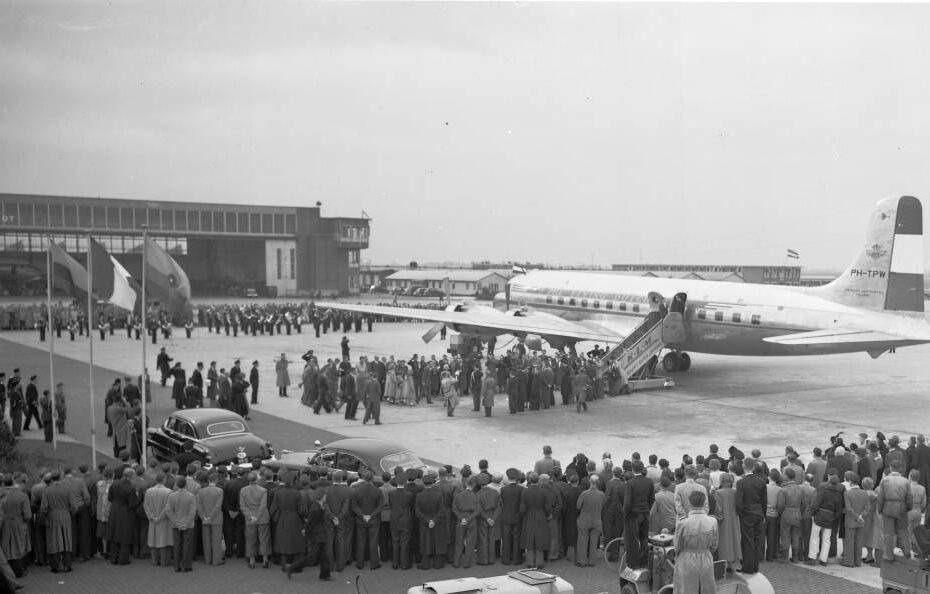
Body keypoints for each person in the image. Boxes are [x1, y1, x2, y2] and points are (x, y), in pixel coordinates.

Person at [673, 490, 718, 594]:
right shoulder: (712, 521)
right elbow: (714, 545)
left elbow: (677, 546)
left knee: (686, 590)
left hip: (687, 560)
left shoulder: (683, 522)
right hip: (706, 558)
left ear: (689, 503)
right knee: (706, 590)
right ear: (704, 503)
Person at [876, 460, 913, 562]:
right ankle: (906, 552)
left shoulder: (885, 480)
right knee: (903, 531)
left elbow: (880, 496)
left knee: (888, 533)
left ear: (891, 468)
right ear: (900, 468)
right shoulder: (905, 481)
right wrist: (908, 507)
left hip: (888, 507)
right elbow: (909, 497)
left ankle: (889, 555)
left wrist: (879, 508)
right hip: (901, 507)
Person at [735, 459, 767, 573]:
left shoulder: (741, 483)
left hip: (747, 515)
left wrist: (741, 514)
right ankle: (754, 566)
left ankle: (747, 567)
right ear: (753, 467)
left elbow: (739, 503)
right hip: (759, 513)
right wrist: (763, 515)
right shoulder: (762, 482)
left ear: (744, 467)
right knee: (756, 540)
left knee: (747, 541)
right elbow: (764, 501)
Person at [807, 471, 844, 566]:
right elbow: (839, 511)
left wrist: (812, 513)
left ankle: (812, 558)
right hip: (830, 518)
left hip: (819, 516)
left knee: (815, 537)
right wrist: (833, 517)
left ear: (829, 481)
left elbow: (816, 504)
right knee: (827, 539)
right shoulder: (839, 495)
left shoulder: (823, 491)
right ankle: (823, 559)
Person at [623, 460, 655, 569]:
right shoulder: (649, 481)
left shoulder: (630, 483)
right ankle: (643, 562)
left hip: (633, 514)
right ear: (642, 469)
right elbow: (652, 498)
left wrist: (626, 514)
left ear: (632, 470)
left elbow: (627, 502)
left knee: (633, 540)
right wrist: (647, 509)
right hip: (645, 513)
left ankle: (633, 564)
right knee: (644, 538)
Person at [239, 471, 271, 569]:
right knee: (264, 539)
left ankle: (252, 561)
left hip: (250, 518)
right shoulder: (263, 490)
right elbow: (263, 505)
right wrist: (258, 516)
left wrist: (250, 516)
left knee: (250, 540)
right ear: (257, 479)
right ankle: (265, 560)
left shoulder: (243, 490)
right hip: (262, 517)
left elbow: (242, 506)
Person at [520, 472, 550, 569]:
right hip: (540, 516)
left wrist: (521, 516)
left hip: (529, 516)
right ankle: (539, 562)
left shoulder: (525, 492)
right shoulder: (544, 492)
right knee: (539, 538)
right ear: (539, 480)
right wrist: (548, 515)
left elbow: (522, 508)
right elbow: (547, 507)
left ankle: (530, 562)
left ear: (529, 480)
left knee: (529, 538)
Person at [167, 476, 197, 572]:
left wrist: (177, 523)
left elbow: (169, 511)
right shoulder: (191, 496)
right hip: (188, 525)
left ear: (176, 484)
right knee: (187, 546)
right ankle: (186, 566)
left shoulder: (172, 496)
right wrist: (185, 523)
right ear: (186, 484)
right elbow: (192, 512)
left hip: (176, 525)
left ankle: (177, 566)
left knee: (177, 545)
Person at [575, 474, 605, 567]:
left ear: (590, 482)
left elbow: (578, 506)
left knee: (582, 539)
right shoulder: (602, 494)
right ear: (598, 483)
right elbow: (603, 506)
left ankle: (582, 561)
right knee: (594, 540)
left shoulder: (584, 493)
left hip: (585, 519)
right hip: (597, 519)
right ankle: (592, 561)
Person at [143, 473, 172, 566]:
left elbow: (146, 505)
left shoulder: (149, 491)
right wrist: (160, 516)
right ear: (163, 480)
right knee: (164, 540)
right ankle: (164, 561)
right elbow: (168, 507)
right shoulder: (169, 492)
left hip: (153, 520)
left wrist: (152, 516)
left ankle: (154, 561)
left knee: (153, 540)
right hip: (164, 520)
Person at [196, 472, 225, 566]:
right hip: (216, 519)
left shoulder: (201, 491)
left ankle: (207, 560)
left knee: (206, 540)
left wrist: (203, 517)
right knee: (216, 540)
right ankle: (216, 560)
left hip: (204, 519)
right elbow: (218, 506)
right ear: (216, 480)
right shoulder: (219, 491)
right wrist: (211, 517)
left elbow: (199, 506)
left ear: (208, 480)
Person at [843, 473, 870, 567]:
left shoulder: (847, 493)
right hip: (861, 521)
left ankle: (849, 562)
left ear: (850, 482)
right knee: (859, 542)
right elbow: (867, 507)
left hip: (851, 520)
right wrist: (861, 516)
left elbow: (848, 508)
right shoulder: (864, 493)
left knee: (849, 541)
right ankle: (857, 561)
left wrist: (856, 517)